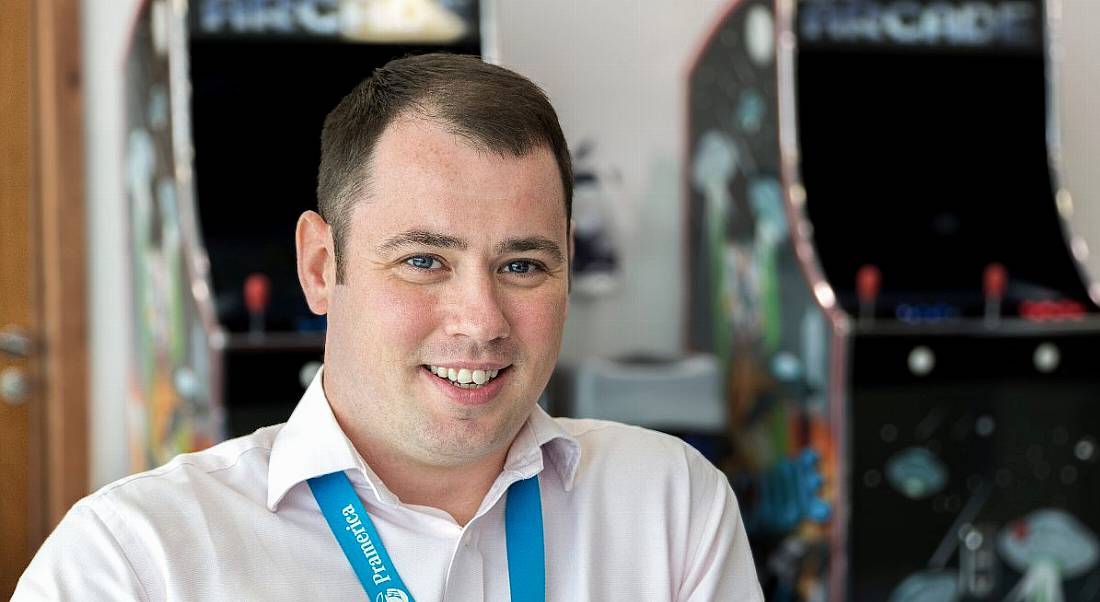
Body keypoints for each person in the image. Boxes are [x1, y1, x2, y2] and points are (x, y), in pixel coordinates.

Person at [15, 53, 762, 601]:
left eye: (523, 266)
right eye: (424, 261)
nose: (480, 321)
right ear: (318, 266)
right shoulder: (136, 559)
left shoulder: (671, 506)